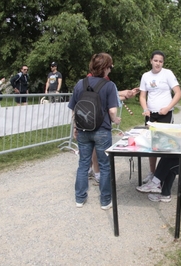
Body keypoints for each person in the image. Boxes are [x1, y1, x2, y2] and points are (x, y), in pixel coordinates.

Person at [68, 53, 121, 210]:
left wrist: (76, 128)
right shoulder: (109, 86)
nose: (110, 70)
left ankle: (80, 198)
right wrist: (116, 120)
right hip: (102, 131)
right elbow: (112, 111)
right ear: (105, 68)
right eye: (110, 67)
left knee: (83, 164)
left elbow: (74, 110)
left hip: (84, 129)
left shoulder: (80, 83)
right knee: (105, 165)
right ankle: (105, 201)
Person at [86, 73, 140, 182]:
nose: (111, 69)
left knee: (93, 148)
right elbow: (103, 94)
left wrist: (126, 95)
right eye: (110, 66)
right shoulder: (92, 78)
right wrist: (115, 118)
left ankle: (90, 171)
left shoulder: (105, 79)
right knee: (96, 149)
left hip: (95, 120)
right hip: (96, 119)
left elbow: (111, 95)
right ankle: (97, 174)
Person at [139, 50, 181, 183]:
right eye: (156, 60)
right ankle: (152, 173)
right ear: (151, 61)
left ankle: (161, 175)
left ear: (163, 63)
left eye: (160, 61)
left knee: (164, 144)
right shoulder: (146, 76)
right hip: (151, 114)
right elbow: (142, 96)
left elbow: (178, 93)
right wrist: (145, 109)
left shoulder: (167, 73)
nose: (158, 63)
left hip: (165, 114)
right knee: (152, 145)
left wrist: (168, 108)